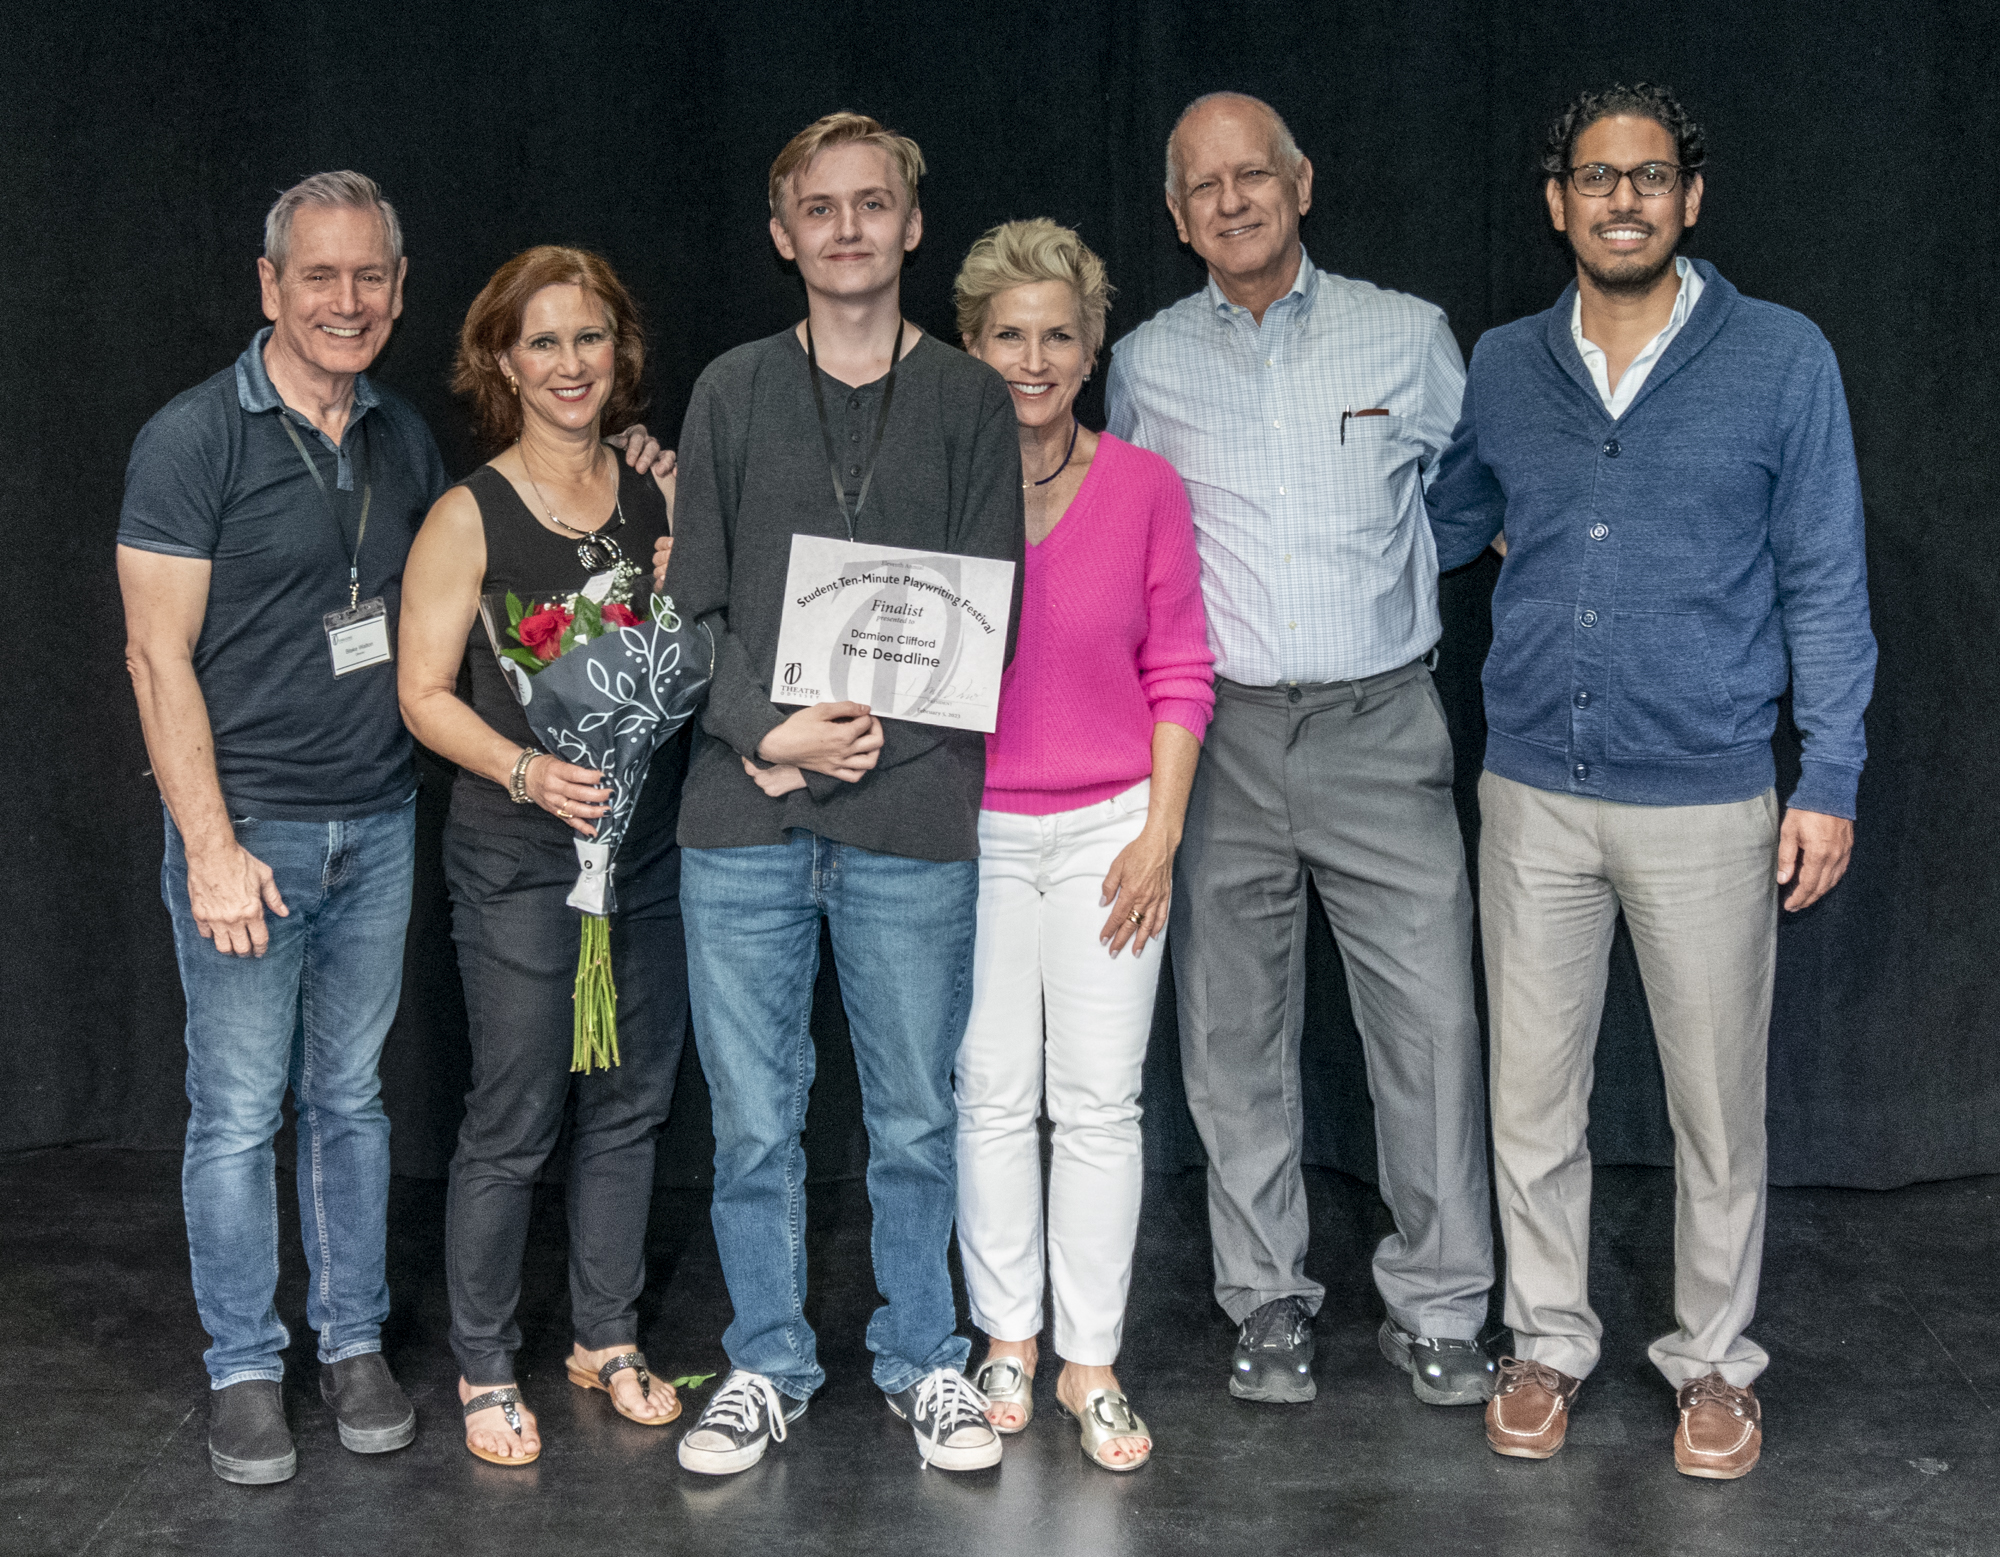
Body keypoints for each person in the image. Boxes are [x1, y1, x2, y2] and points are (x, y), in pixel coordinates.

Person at [116, 173, 668, 1488]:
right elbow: (153, 656)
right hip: (250, 831)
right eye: (319, 276)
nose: (347, 300)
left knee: (353, 1103)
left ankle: (352, 1345)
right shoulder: (195, 439)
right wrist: (209, 843)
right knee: (240, 1109)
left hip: (375, 824)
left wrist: (641, 462)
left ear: (401, 290)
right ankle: (248, 1365)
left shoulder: (402, 442)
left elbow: (450, 624)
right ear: (270, 287)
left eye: (370, 277)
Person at [1427, 84, 1876, 1479]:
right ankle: (1547, 1342)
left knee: (1715, 1108)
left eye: (1652, 175)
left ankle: (1714, 1365)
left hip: (1710, 791)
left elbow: (1824, 575)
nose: (1624, 197)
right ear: (1555, 199)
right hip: (1535, 797)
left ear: (1691, 196)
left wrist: (1834, 771)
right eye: (1596, 175)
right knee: (1531, 1098)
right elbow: (1446, 517)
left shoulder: (1783, 358)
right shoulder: (1504, 363)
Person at [1105, 92, 1497, 1410]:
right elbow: (1126, 548)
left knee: (1432, 1026)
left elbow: (1479, 491)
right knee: (1231, 1035)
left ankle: (1441, 1305)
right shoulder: (1148, 363)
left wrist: (1385, 587)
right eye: (1204, 186)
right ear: (1176, 217)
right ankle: (1264, 1299)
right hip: (1215, 741)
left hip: (1380, 728)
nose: (1233, 199)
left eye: (1254, 174)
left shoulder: (1409, 336)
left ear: (1303, 184)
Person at [664, 111, 1023, 1476]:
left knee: (915, 1115)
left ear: (913, 225)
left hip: (910, 811)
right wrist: (770, 734)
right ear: (784, 235)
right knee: (754, 1122)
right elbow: (693, 611)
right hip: (744, 812)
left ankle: (925, 1360)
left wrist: (859, 747)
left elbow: (985, 609)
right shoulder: (730, 390)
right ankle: (765, 1362)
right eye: (822, 208)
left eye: (875, 204)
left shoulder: (971, 401)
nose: (851, 227)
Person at [397, 247, 691, 1467]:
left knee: (629, 1105)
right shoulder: (468, 514)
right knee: (516, 1115)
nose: (569, 365)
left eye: (590, 340)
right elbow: (420, 695)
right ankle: (481, 1366)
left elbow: (700, 643)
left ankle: (604, 1338)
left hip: (648, 855)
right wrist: (525, 770)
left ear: (618, 354)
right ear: (501, 361)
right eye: (543, 343)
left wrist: (685, 584)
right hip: (519, 859)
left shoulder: (657, 493)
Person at [950, 219, 1213, 1472]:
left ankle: (1086, 1361)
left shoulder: (1145, 487)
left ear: (1094, 345)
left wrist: (1161, 832)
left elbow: (1179, 672)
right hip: (975, 830)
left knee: (1099, 1103)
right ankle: (1004, 1339)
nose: (1033, 358)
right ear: (970, 344)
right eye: (1009, 334)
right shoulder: (934, 480)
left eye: (1058, 334)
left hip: (1115, 826)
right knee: (992, 1093)